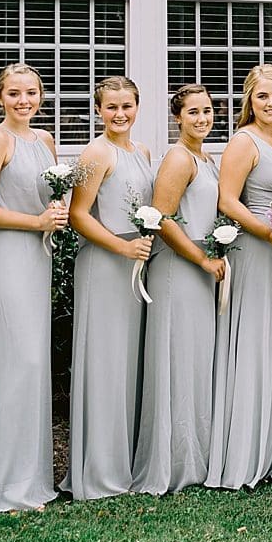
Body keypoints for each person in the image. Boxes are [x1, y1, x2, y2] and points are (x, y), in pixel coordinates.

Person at [0, 63, 69, 515]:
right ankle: (2, 486)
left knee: (33, 362)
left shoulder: (44, 141)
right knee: (13, 359)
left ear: (41, 96)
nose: (23, 100)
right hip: (7, 255)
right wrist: (36, 222)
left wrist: (56, 211)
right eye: (14, 93)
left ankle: (31, 480)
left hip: (37, 257)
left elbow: (45, 196)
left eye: (31, 92)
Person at [210, 63, 272, 489]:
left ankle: (270, 446)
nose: (271, 103)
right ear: (250, 100)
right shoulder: (243, 141)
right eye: (262, 96)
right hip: (256, 251)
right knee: (254, 344)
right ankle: (244, 455)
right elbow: (228, 201)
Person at [63, 75, 157, 500]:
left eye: (127, 106)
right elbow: (78, 215)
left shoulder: (143, 151)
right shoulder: (94, 153)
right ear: (98, 110)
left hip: (134, 264)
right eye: (111, 107)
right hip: (105, 264)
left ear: (138, 107)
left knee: (129, 360)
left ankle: (127, 459)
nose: (120, 114)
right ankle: (100, 469)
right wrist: (122, 247)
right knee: (105, 362)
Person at [133, 84, 227, 494]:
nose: (202, 119)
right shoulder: (177, 158)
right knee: (178, 359)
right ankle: (173, 462)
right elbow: (164, 219)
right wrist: (202, 259)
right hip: (178, 269)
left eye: (207, 111)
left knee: (195, 360)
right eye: (193, 113)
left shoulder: (206, 158)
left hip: (200, 269)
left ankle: (198, 454)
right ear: (178, 117)